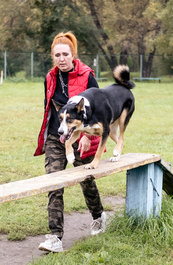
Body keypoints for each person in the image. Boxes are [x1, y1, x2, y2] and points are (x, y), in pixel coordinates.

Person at [34, 31, 108, 253]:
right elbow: (49, 108)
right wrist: (47, 137)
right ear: (53, 57)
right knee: (54, 182)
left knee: (85, 179)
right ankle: (55, 237)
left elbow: (99, 108)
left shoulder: (87, 76)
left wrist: (87, 135)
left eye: (65, 54)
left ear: (73, 54)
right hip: (57, 137)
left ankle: (98, 216)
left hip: (82, 136)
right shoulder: (50, 77)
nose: (61, 58)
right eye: (57, 55)